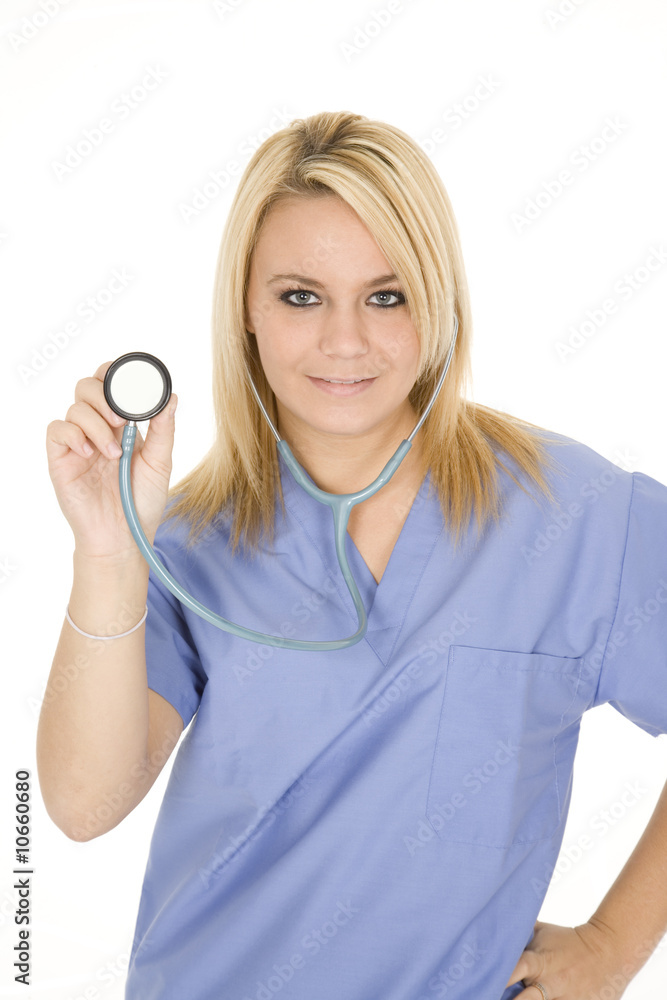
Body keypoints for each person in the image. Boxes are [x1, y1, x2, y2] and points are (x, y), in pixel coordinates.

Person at [40, 111, 667, 1000]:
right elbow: (82, 804)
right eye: (300, 296)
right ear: (245, 310)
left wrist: (612, 946)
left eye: (387, 296)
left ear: (438, 301)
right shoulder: (185, 540)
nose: (345, 342)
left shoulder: (578, 516)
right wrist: (108, 551)